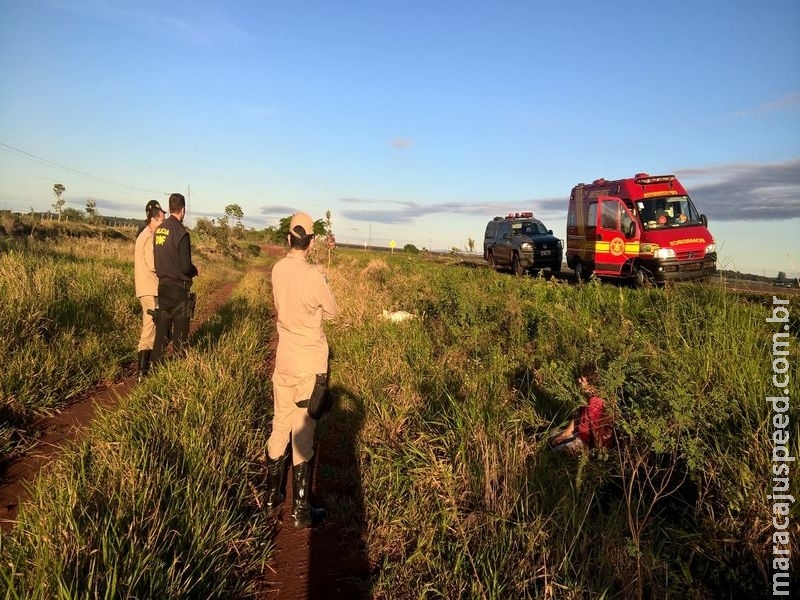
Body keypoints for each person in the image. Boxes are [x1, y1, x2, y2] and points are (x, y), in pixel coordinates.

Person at [264, 212, 338, 528]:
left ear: (288, 240)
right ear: (310, 243)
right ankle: (301, 510)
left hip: (284, 360)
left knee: (280, 423)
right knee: (303, 433)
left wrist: (315, 273)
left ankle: (270, 495)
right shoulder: (313, 277)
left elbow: (291, 290)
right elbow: (334, 312)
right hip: (309, 366)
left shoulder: (278, 269)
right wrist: (322, 276)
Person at [151, 193, 198, 367]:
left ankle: (155, 371)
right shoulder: (181, 233)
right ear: (183, 210)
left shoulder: (159, 230)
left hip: (162, 288)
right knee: (180, 337)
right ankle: (178, 372)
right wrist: (194, 270)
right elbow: (186, 267)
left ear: (170, 208)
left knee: (161, 335)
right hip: (179, 291)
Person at [134, 199, 165, 381]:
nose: (162, 224)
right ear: (153, 219)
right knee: (150, 327)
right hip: (149, 288)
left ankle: (146, 369)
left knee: (153, 326)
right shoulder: (148, 237)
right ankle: (143, 373)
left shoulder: (143, 234)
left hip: (146, 288)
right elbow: (153, 265)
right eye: (160, 221)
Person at [550, 373, 613, 456]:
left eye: (582, 380)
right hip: (582, 435)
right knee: (551, 439)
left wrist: (600, 455)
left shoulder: (595, 402)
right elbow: (577, 418)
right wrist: (564, 435)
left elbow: (596, 432)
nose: (579, 381)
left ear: (591, 385)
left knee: (555, 453)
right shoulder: (586, 398)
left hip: (589, 442)